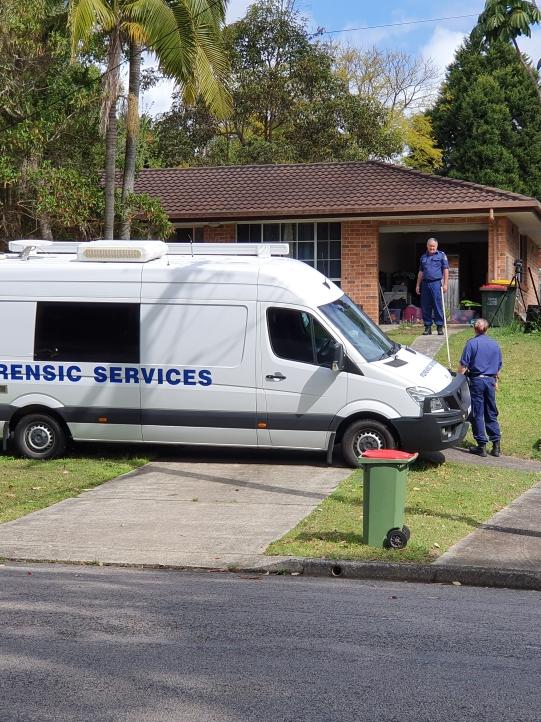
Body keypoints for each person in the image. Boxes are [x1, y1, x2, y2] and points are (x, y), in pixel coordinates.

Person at [458, 318, 503, 457]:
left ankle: (481, 446)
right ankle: (496, 446)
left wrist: (457, 381)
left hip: (477, 381)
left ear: (475, 329)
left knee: (477, 413)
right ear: (487, 329)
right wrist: (495, 381)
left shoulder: (472, 344)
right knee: (491, 412)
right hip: (490, 381)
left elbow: (463, 366)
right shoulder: (495, 344)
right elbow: (499, 366)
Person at [415, 237, 449, 335]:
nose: (432, 248)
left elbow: (446, 270)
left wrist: (446, 284)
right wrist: (417, 285)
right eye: (430, 246)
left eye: (433, 246)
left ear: (436, 246)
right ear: (427, 246)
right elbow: (421, 272)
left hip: (436, 283)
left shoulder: (442, 255)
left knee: (438, 305)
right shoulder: (423, 257)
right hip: (425, 284)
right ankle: (427, 327)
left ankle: (439, 327)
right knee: (425, 306)